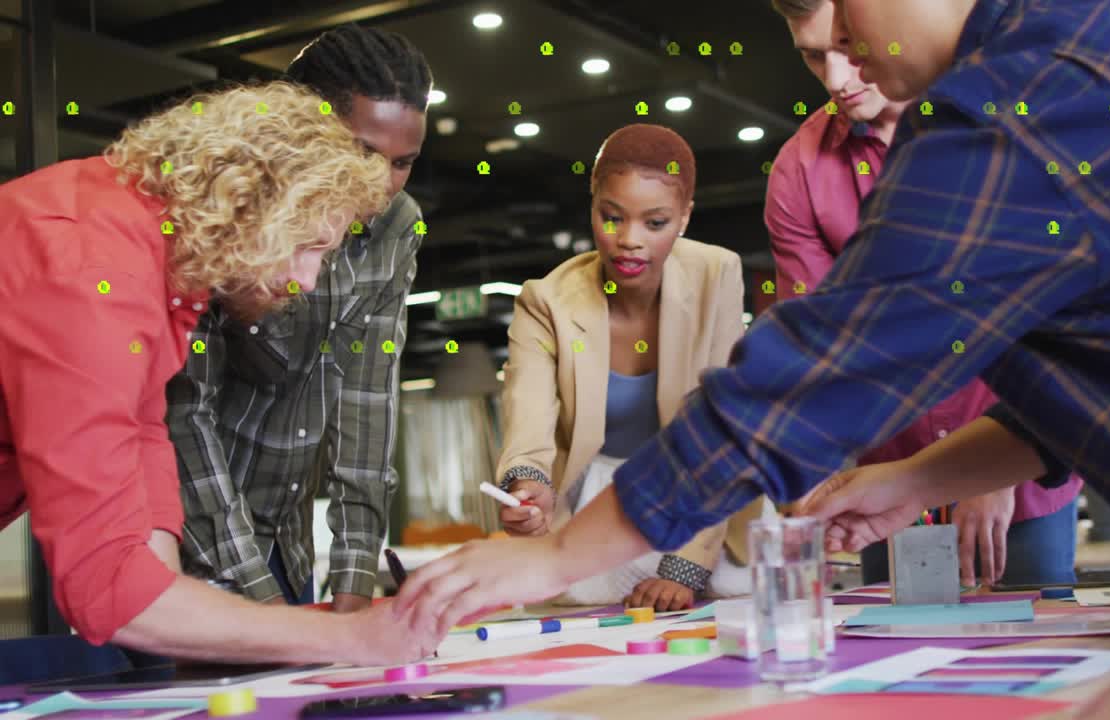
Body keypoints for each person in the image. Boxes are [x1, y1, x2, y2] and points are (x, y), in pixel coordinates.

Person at [391, 0, 1110, 638]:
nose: (843, 64)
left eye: (846, 25)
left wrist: (551, 562)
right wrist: (912, 482)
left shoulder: (1010, 110)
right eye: (818, 50)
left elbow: (808, 380)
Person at [0, 81, 437, 671]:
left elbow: (144, 497)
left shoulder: (159, 264)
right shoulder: (94, 269)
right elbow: (110, 595)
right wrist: (351, 639)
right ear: (249, 204)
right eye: (307, 246)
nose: (307, 281)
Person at [766, 0, 1080, 588]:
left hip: (1021, 458)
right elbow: (823, 343)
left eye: (846, 46)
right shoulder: (800, 170)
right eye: (812, 56)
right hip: (886, 484)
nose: (835, 81)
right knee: (897, 669)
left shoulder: (1011, 115)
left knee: (1041, 656)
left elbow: (1052, 311)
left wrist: (989, 471)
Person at [167, 24, 430, 613]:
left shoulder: (396, 226)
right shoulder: (219, 202)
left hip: (286, 548)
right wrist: (263, 606)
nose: (380, 186)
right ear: (299, 125)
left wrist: (355, 578)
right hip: (180, 546)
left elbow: (367, 399)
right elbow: (185, 415)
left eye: (403, 163)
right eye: (363, 153)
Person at [494, 124, 764, 611]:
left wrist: (684, 566)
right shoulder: (545, 300)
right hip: (596, 501)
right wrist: (527, 486)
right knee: (576, 606)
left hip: (699, 494)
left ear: (684, 217)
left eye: (654, 223)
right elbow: (527, 415)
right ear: (592, 205)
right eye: (611, 217)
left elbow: (718, 431)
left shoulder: (716, 274)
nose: (628, 241)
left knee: (728, 593)